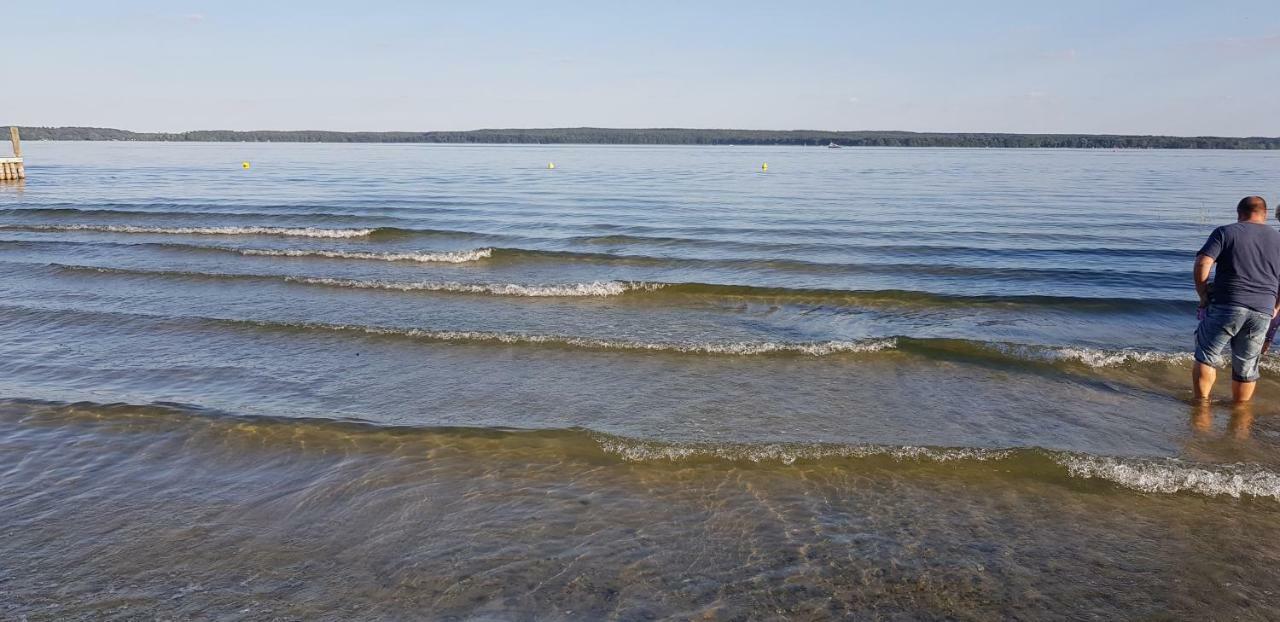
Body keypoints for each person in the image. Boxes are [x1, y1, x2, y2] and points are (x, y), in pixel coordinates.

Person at [1192, 196, 1280, 403]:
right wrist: (1276, 306)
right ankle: (1239, 412)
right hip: (1262, 309)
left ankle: (1202, 405)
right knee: (1247, 364)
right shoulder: (1278, 238)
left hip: (1227, 303)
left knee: (1207, 355)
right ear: (1265, 214)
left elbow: (1203, 262)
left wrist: (1203, 293)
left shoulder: (1226, 232)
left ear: (1239, 213)